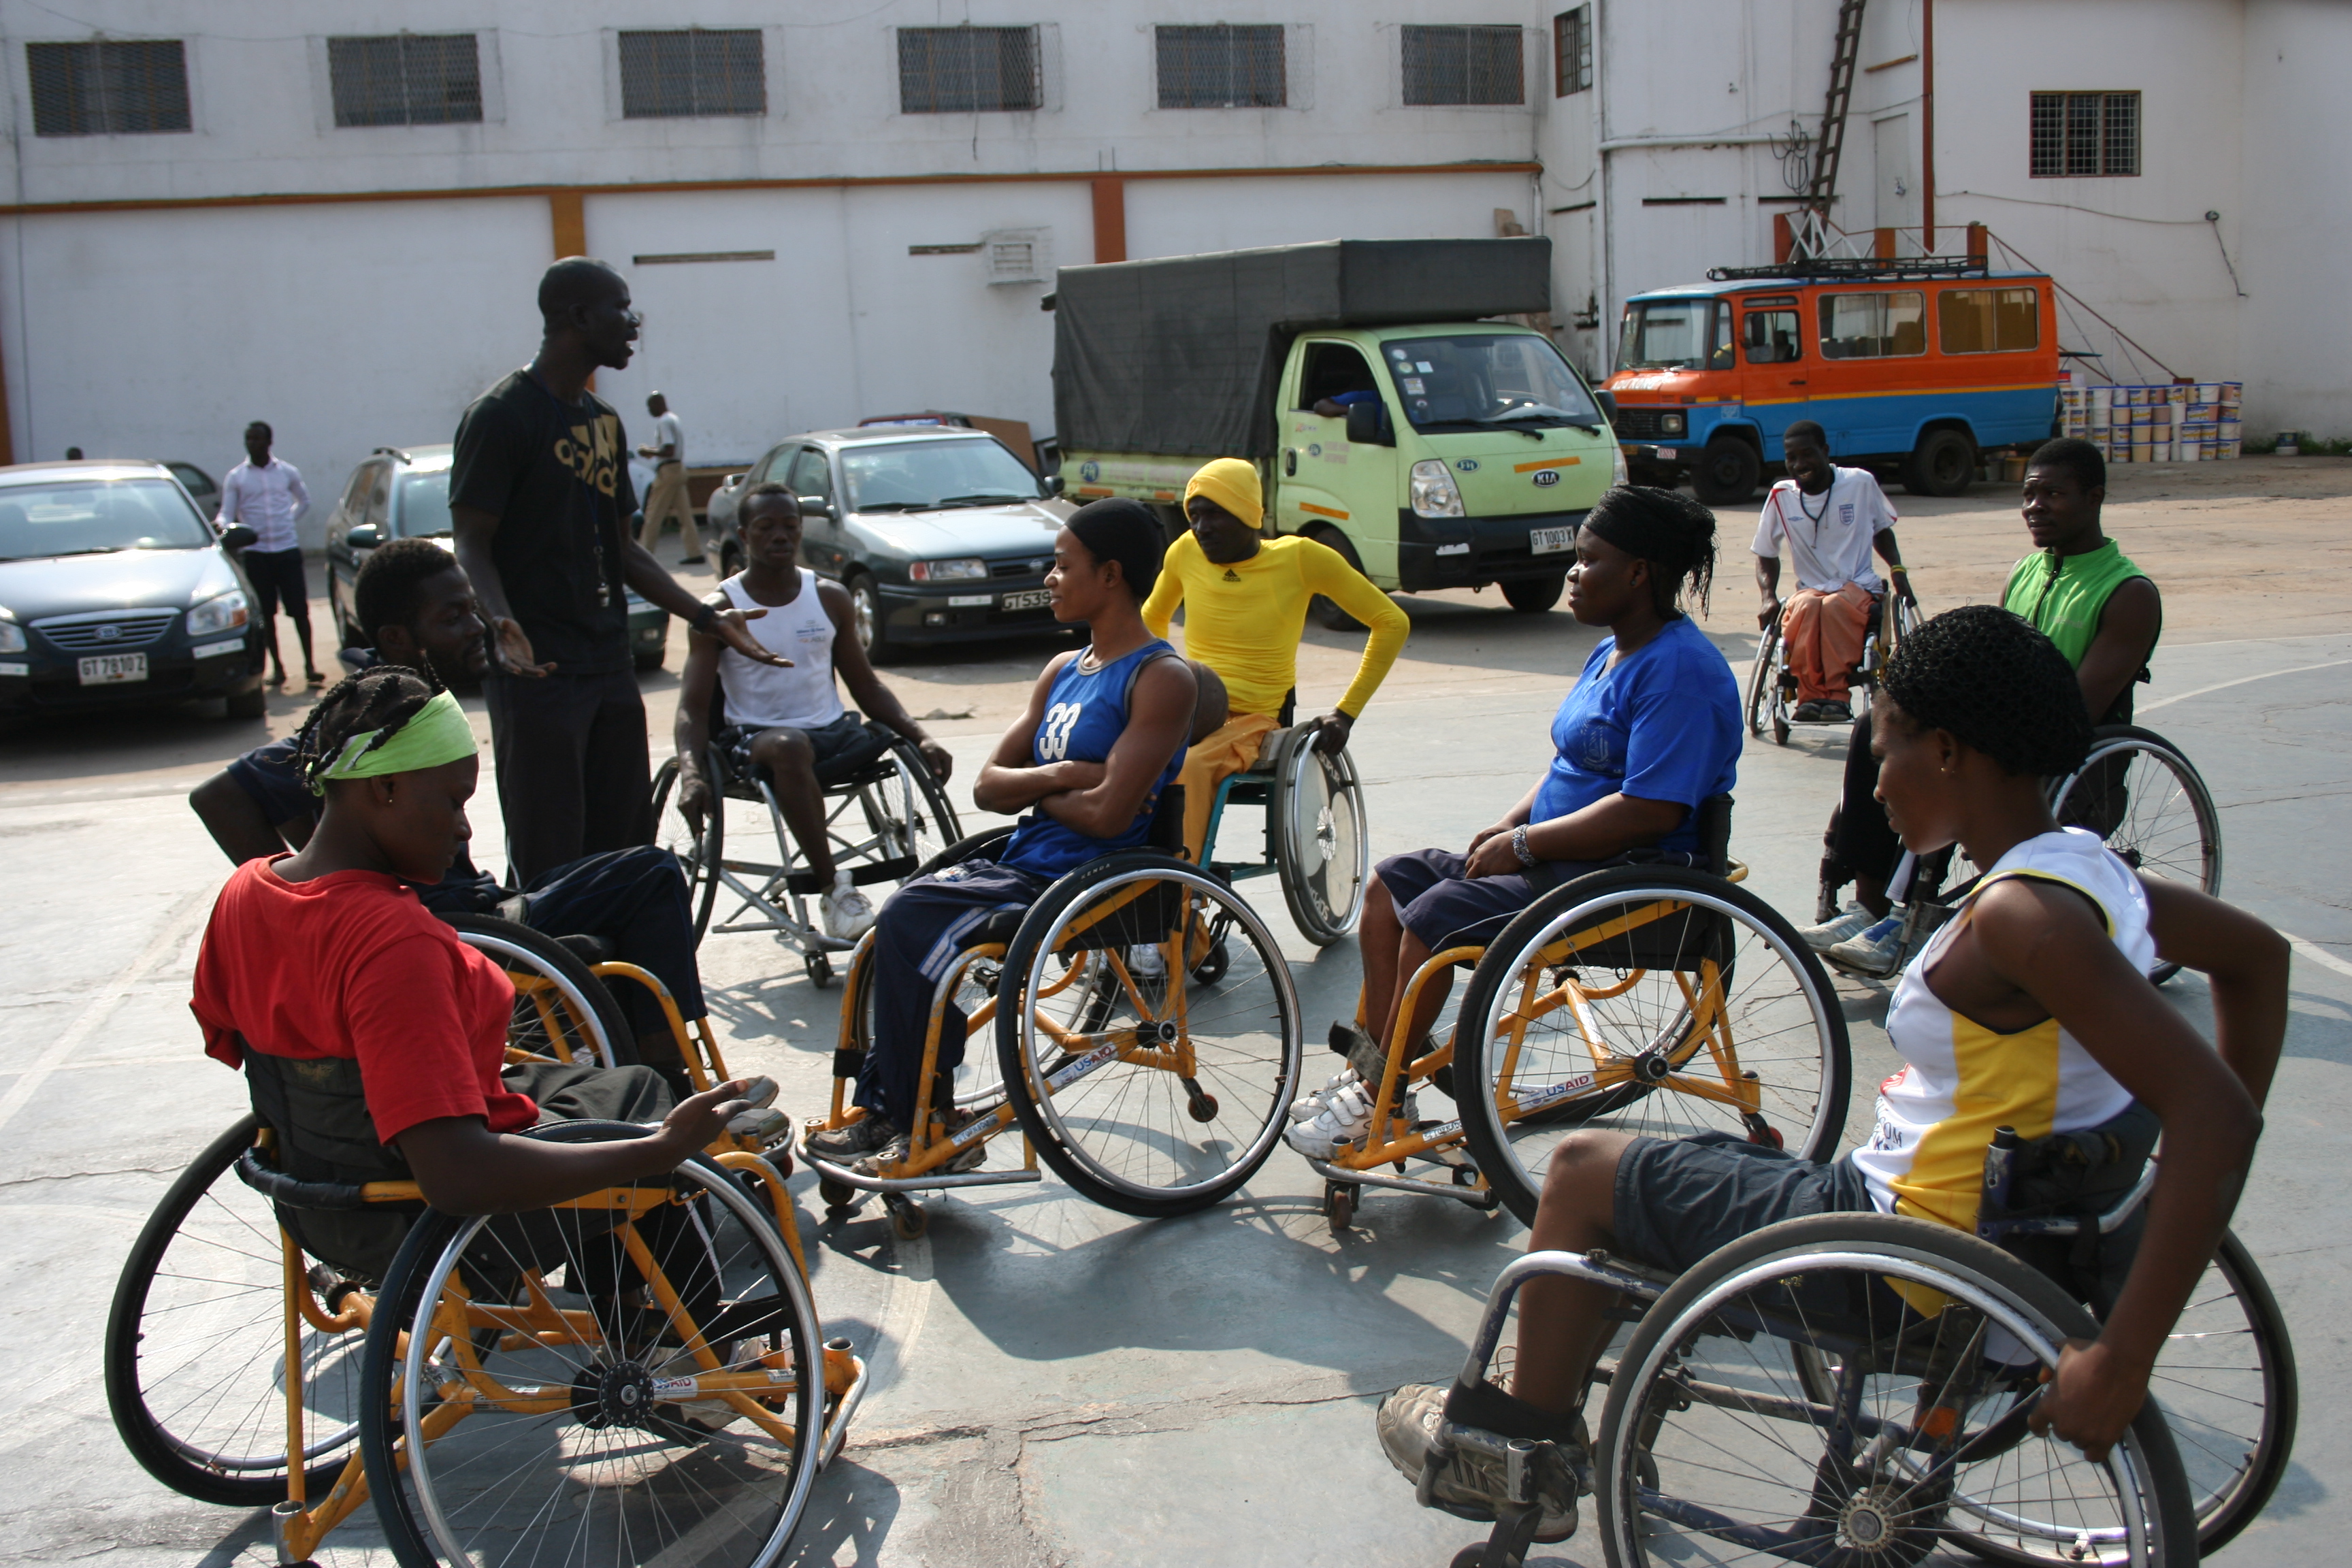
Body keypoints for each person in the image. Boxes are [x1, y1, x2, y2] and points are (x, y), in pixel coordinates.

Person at [1375, 604, 2283, 1535]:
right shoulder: (2092, 875)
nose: (1874, 788)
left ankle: (1512, 1458)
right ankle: (1560, 1414)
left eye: (1883, 754)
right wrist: (2136, 1184)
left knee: (1578, 1172)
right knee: (1685, 1168)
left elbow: (2216, 1114)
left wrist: (2123, 1360)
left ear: (1947, 752)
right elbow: (2260, 963)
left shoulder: (2022, 918)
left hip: (1904, 1261)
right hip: (1985, 1231)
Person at [189, 664, 755, 1284]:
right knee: (640, 1098)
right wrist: (660, 1149)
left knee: (589, 1088)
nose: (464, 829)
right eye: (455, 801)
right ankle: (671, 1322)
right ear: (386, 788)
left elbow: (258, 1049)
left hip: (320, 1206)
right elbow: (458, 1177)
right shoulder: (394, 941)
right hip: (434, 1221)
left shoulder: (243, 895)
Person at [1288, 487, 1741, 1159]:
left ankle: (1379, 1095)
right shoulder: (1612, 652)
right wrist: (1509, 825)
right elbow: (1569, 764)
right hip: (1560, 862)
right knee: (1391, 884)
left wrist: (1526, 843)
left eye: (1589, 560)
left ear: (1639, 573)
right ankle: (1378, 1080)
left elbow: (1652, 809)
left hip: (1624, 878)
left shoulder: (1681, 672)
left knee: (1435, 917)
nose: (1573, 574)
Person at [188, 537, 711, 1090]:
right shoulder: (373, 712)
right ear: (398, 638)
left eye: (473, 610)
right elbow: (218, 797)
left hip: (475, 903)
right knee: (652, 875)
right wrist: (313, 901)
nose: (475, 627)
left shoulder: (414, 698)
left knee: (624, 879)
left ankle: (637, 1060)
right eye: (453, 617)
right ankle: (667, 1073)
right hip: (456, 920)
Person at [803, 499, 1194, 1173]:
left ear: (1110, 575)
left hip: (1085, 878)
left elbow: (1109, 816)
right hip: (1027, 862)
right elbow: (988, 785)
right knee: (902, 920)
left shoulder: (1161, 678)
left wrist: (1038, 788)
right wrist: (1066, 774)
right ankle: (903, 1108)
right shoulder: (1062, 670)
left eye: (1062, 565)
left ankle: (914, 1116)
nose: (1049, 578)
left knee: (912, 919)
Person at [450, 257, 785, 887]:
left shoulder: (603, 422)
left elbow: (625, 551)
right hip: (539, 672)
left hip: (607, 664)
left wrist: (707, 617)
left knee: (625, 848)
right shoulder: (500, 415)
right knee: (551, 856)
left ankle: (620, 956)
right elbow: (470, 542)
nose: (634, 324)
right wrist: (500, 622)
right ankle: (551, 955)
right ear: (578, 317)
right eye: (621, 309)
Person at [1808, 436, 2161, 971]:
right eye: (2029, 495)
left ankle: (1912, 915)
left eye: (2053, 495)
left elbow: (2080, 709)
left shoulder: (2128, 592)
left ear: (2094, 498)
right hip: (1999, 728)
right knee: (1876, 730)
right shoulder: (2026, 572)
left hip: (2064, 749)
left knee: (1950, 758)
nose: (2035, 507)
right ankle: (1869, 904)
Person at [672, 484, 955, 941]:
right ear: (743, 535)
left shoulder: (829, 597)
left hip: (832, 732)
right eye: (766, 527)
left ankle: (933, 896)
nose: (780, 536)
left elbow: (866, 686)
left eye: (790, 526)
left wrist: (921, 736)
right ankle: (833, 890)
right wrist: (691, 772)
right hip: (757, 738)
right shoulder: (719, 610)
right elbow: (692, 705)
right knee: (790, 746)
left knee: (878, 742)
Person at [1140, 457, 1408, 863]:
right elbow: (1152, 617)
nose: (1201, 527)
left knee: (1189, 766)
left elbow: (1391, 622)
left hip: (1255, 719)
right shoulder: (1184, 552)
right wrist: (1161, 682)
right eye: (1194, 515)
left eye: (1214, 514)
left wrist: (1346, 713)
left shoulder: (1300, 558)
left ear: (1247, 514)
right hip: (1192, 707)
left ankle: (1179, 890)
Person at [1752, 419, 1909, 723]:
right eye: (1791, 458)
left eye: (1807, 454)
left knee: (1834, 605)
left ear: (1825, 451)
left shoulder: (1859, 483)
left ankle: (1835, 696)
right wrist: (1767, 596)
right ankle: (1811, 697)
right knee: (1807, 606)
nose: (1799, 465)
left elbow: (1881, 530)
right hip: (1810, 589)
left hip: (1857, 584)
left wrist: (1898, 570)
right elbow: (1765, 553)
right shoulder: (1781, 495)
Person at [217, 421, 321, 688]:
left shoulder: (287, 472)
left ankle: (310, 666)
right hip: (257, 553)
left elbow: (304, 501)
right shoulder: (237, 477)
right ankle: (278, 668)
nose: (253, 444)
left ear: (269, 442)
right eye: (249, 439)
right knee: (266, 614)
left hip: (287, 551)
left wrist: (288, 520)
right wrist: (223, 526)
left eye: (258, 439)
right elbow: (227, 512)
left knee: (299, 611)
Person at [636, 391, 702, 565]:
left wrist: (648, 451)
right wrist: (654, 451)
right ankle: (695, 551)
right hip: (679, 469)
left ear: (658, 404)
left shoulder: (664, 422)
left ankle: (644, 553)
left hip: (668, 471)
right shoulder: (674, 418)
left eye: (650, 407)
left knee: (653, 514)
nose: (649, 411)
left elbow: (668, 450)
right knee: (685, 516)